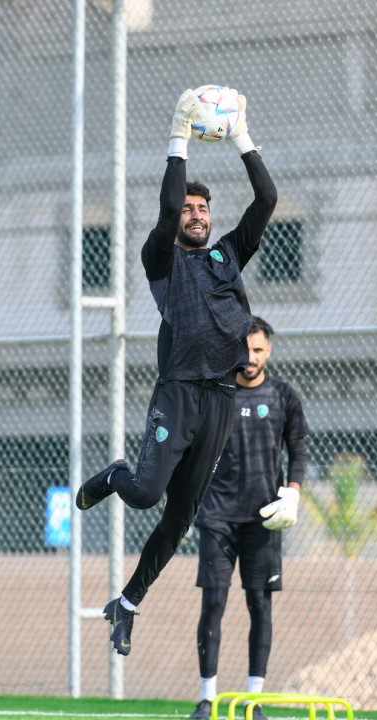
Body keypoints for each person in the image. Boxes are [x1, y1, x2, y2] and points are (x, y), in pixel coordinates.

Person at [75, 87, 278, 657]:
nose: (195, 214)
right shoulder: (161, 258)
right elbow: (166, 208)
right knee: (143, 493)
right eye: (189, 208)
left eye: (202, 209)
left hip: (221, 403)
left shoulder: (227, 256)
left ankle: (128, 602)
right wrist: (179, 137)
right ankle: (114, 475)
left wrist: (240, 136)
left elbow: (267, 197)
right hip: (179, 395)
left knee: (180, 518)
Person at [189, 316, 309, 720]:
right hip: (217, 517)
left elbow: (298, 451)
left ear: (268, 351)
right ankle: (207, 697)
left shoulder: (284, 396)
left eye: (258, 350)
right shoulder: (214, 396)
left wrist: (293, 493)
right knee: (214, 602)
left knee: (260, 604)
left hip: (264, 519)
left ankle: (254, 700)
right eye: (244, 350)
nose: (250, 357)